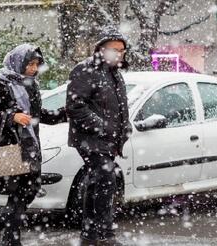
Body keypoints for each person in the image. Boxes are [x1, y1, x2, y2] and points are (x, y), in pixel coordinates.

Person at [0, 44, 66, 246]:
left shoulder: (30, 84)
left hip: (29, 146)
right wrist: (11, 117)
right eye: (31, 64)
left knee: (30, 189)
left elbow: (34, 116)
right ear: (18, 62)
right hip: (6, 145)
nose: (34, 68)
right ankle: (10, 239)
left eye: (36, 64)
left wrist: (62, 113)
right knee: (17, 193)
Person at [66, 26, 132, 246]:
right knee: (106, 181)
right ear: (100, 49)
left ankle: (90, 234)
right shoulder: (85, 70)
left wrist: (125, 127)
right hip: (90, 138)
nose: (118, 53)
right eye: (114, 49)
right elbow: (75, 106)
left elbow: (119, 107)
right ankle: (103, 234)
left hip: (108, 139)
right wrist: (102, 127)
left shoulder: (114, 73)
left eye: (121, 50)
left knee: (98, 184)